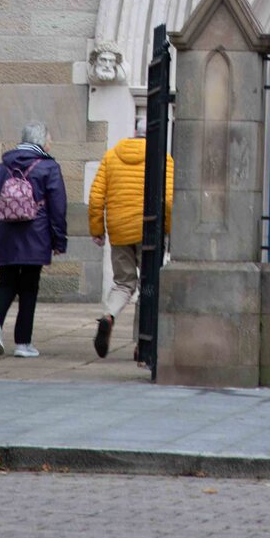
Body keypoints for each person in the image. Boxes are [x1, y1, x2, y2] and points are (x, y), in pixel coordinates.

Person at [88, 117, 174, 359]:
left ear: (134, 132)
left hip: (119, 230)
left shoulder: (112, 155)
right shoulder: (163, 158)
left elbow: (96, 198)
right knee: (149, 285)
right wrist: (168, 228)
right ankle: (141, 342)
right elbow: (168, 200)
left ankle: (108, 316)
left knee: (124, 282)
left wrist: (97, 230)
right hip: (150, 231)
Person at [0, 122, 67, 358]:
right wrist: (59, 240)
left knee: (6, 281)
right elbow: (58, 206)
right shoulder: (48, 167)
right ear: (41, 141)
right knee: (29, 286)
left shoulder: (3, 166)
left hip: (6, 232)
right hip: (36, 234)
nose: (50, 143)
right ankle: (23, 343)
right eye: (49, 139)